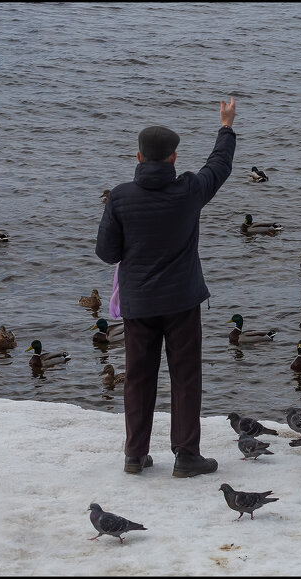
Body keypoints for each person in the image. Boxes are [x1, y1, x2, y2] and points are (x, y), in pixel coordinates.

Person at [96, 97, 237, 476]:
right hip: (181, 301)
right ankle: (186, 455)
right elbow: (219, 166)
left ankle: (135, 455)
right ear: (174, 158)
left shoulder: (120, 197)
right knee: (185, 376)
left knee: (138, 378)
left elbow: (107, 253)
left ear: (138, 158)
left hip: (139, 304)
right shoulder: (189, 190)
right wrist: (226, 127)